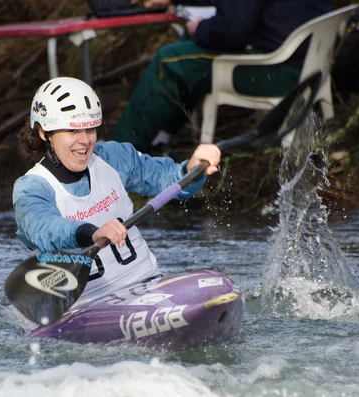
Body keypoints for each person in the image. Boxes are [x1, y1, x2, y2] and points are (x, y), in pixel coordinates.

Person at [13, 77, 221, 307]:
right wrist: (92, 232)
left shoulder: (113, 158)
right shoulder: (31, 187)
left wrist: (192, 168)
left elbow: (167, 179)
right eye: (73, 130)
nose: (85, 141)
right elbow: (44, 229)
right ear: (44, 133)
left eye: (90, 129)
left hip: (148, 285)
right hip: (86, 308)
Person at [109, 0, 334, 153]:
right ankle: (162, 136)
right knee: (189, 56)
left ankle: (117, 153)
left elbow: (233, 30)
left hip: (277, 73)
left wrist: (201, 28)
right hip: (311, 66)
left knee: (169, 61)